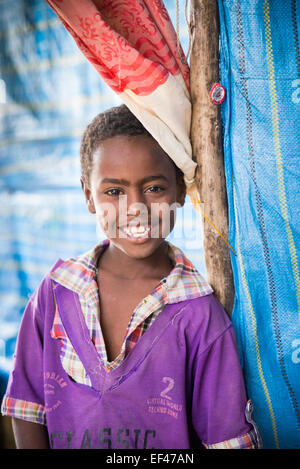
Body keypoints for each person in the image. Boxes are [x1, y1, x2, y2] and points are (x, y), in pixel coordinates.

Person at [1, 105, 260, 449]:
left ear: (180, 190)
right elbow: (28, 406)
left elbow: (226, 440)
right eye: (114, 192)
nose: (135, 207)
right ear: (88, 196)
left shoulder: (200, 317)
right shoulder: (55, 293)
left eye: (153, 188)